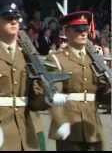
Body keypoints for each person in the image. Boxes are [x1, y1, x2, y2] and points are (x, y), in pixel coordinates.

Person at [0, 0, 67, 151]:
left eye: (17, 18)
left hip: (25, 133)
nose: (14, 21)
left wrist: (48, 95)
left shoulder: (26, 56)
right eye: (9, 18)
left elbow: (34, 103)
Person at [47, 11, 110, 151]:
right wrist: (60, 121)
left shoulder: (95, 60)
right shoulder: (56, 59)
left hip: (92, 126)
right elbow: (54, 95)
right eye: (78, 29)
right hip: (69, 126)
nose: (83, 33)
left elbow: (102, 94)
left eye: (85, 29)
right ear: (67, 32)